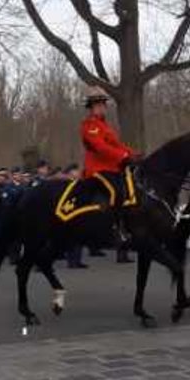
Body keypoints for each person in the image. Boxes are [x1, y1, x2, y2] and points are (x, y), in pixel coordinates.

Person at [80, 86, 138, 262]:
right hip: (97, 169)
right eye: (99, 104)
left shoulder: (105, 126)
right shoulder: (90, 125)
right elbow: (100, 147)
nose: (103, 107)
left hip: (112, 168)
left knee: (131, 191)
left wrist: (133, 155)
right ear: (92, 106)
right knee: (116, 191)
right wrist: (122, 156)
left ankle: (126, 230)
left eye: (104, 104)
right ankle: (114, 229)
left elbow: (116, 145)